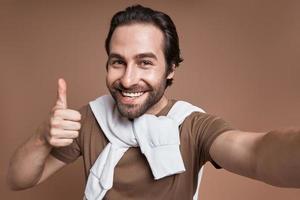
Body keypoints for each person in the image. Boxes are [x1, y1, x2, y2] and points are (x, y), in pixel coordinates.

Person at [7, 4, 300, 200]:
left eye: (145, 62)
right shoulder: (89, 119)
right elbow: (19, 180)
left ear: (171, 68)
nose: (128, 78)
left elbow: (257, 154)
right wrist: (42, 138)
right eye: (118, 62)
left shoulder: (193, 126)